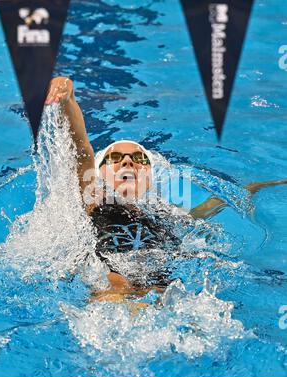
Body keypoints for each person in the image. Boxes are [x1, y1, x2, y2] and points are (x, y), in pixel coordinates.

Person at [45, 76, 287, 305]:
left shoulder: (168, 213)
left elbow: (226, 200)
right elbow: (82, 148)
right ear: (100, 175)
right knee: (116, 288)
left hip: (164, 281)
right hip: (112, 277)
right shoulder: (94, 200)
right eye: (116, 158)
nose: (128, 162)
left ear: (149, 179)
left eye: (138, 158)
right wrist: (68, 96)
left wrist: (267, 186)